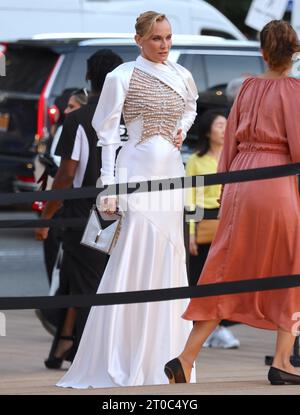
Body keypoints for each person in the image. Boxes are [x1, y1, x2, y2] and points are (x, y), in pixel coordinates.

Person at [57, 11, 198, 388]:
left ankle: (163, 357)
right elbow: (106, 134)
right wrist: (109, 184)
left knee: (169, 258)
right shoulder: (120, 77)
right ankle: (122, 354)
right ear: (139, 40)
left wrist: (182, 130)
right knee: (132, 258)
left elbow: (191, 107)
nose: (164, 45)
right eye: (156, 38)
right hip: (133, 175)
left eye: (168, 37)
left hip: (170, 176)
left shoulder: (182, 74)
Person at [164, 19, 300, 386]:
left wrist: (227, 186)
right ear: (295, 52)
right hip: (275, 181)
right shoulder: (294, 90)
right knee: (290, 267)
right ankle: (284, 360)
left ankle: (186, 358)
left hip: (240, 179)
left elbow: (228, 149)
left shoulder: (247, 87)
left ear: (263, 51)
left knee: (225, 270)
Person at [35, 49, 123, 369]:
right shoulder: (126, 116)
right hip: (114, 209)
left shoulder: (78, 119)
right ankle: (62, 348)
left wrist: (47, 215)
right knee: (82, 277)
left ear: (89, 77)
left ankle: (89, 357)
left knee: (86, 282)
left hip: (82, 210)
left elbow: (67, 173)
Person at [35, 88, 89, 337]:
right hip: (64, 207)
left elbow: (65, 174)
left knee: (67, 269)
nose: (66, 112)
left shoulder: (79, 126)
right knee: (60, 267)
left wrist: (47, 216)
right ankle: (61, 325)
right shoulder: (66, 128)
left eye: (72, 107)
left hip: (71, 209)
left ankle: (59, 321)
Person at [186, 109, 240, 349]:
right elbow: (192, 197)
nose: (224, 129)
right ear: (208, 132)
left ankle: (220, 327)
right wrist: (190, 232)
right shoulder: (196, 161)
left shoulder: (235, 157)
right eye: (220, 126)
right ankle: (205, 328)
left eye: (227, 125)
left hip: (229, 219)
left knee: (227, 275)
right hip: (204, 221)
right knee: (201, 277)